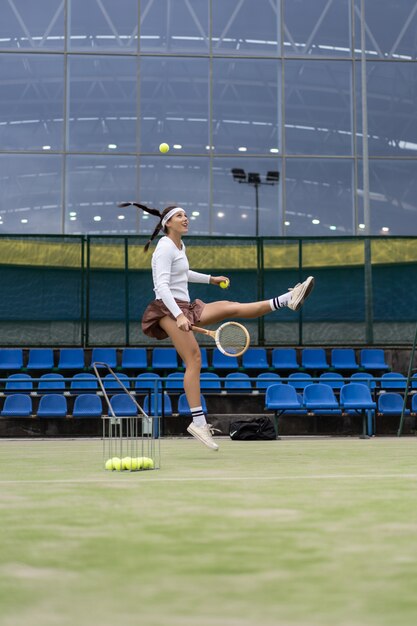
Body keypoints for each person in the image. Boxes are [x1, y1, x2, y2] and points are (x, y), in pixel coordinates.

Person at [121, 202, 314, 451]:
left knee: (230, 306)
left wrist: (211, 279)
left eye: (186, 215)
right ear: (168, 223)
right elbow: (162, 286)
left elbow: (183, 273)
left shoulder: (179, 245)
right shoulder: (164, 247)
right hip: (167, 309)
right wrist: (179, 315)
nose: (186, 218)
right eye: (180, 216)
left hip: (184, 306)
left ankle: (288, 299)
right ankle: (198, 423)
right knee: (194, 360)